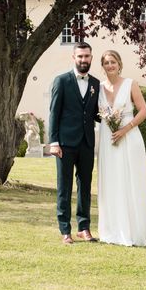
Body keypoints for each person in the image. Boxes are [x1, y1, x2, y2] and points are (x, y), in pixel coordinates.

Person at [97, 50, 146, 246]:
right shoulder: (99, 87)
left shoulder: (131, 84)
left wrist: (125, 129)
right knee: (111, 181)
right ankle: (112, 229)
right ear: (102, 66)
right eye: (106, 62)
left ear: (119, 64)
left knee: (129, 182)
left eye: (113, 62)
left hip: (129, 138)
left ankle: (132, 230)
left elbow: (144, 111)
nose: (110, 65)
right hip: (107, 139)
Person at [49, 42, 100, 244]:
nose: (83, 60)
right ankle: (65, 230)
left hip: (87, 142)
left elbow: (95, 112)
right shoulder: (61, 81)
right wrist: (54, 142)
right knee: (64, 187)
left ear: (91, 58)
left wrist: (111, 117)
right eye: (80, 56)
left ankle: (84, 227)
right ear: (74, 58)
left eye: (86, 56)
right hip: (65, 144)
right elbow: (54, 113)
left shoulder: (96, 83)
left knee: (85, 186)